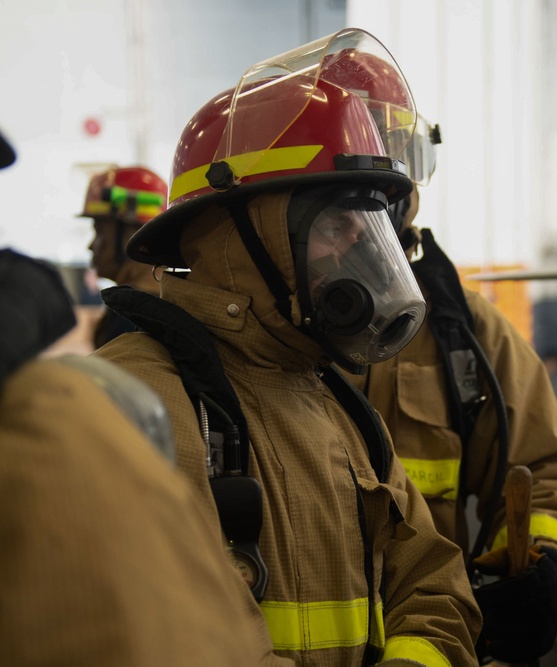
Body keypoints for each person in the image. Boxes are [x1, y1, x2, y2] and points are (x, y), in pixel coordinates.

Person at [94, 29, 480, 666]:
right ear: (243, 234)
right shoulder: (132, 410)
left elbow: (435, 584)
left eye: (369, 226)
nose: (360, 252)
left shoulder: (336, 406)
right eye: (337, 222)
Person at [0, 130, 274, 666]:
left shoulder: (131, 325)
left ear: (131, 227)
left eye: (98, 229)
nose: (89, 246)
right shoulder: (146, 312)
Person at [348, 115, 557, 664]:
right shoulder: (246, 344)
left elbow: (545, 469)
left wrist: (544, 560)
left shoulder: (464, 332)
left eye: (385, 182)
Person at [80, 165, 167, 348]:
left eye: (99, 232)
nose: (90, 246)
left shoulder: (131, 314)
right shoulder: (166, 304)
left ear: (132, 235)